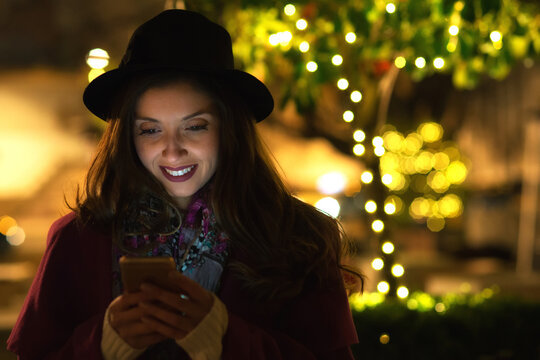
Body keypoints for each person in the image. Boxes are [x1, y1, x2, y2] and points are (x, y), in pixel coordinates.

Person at [7, 9, 361, 359]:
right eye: (150, 129)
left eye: (195, 126)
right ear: (128, 138)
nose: (172, 150)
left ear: (230, 129)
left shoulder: (299, 238)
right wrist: (101, 345)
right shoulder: (78, 240)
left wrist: (225, 340)